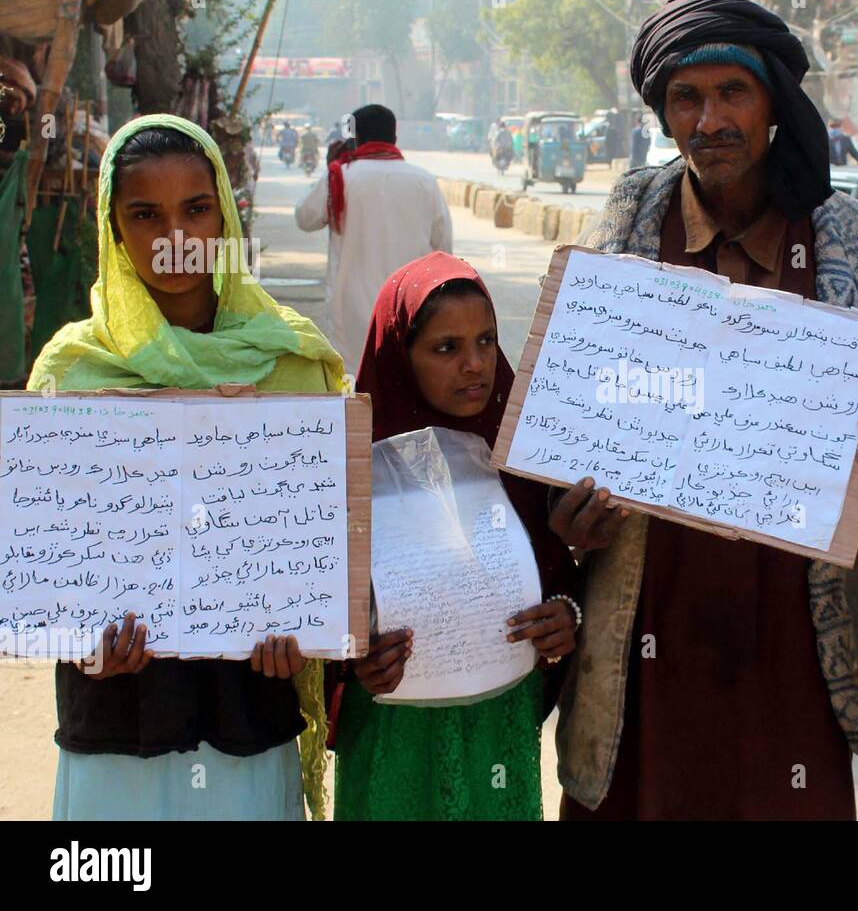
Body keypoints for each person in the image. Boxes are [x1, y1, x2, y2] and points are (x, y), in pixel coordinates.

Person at [553, 0, 858, 821]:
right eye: (686, 98)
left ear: (773, 106)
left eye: (733, 92)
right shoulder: (622, 234)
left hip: (796, 631)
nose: (710, 119)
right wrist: (571, 512)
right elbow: (565, 418)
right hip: (645, 621)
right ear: (663, 112)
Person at [27, 113, 345, 820]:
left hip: (247, 724)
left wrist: (302, 633)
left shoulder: (290, 363)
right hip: (116, 732)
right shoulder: (73, 370)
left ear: (225, 219)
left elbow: (317, 556)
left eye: (196, 210)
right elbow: (44, 567)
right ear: (114, 229)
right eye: (146, 214)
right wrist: (85, 647)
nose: (175, 238)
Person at [331, 252, 579, 820]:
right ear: (400, 356)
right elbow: (317, 620)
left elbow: (561, 581)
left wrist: (566, 617)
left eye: (487, 341)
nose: (476, 365)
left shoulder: (521, 456)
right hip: (395, 737)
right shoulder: (351, 471)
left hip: (498, 726)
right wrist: (355, 664)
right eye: (447, 348)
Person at [294, 104, 453, 374]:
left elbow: (305, 218)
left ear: (355, 136)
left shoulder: (340, 177)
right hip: (411, 306)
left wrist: (329, 169)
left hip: (351, 309)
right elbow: (444, 249)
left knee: (358, 386)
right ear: (394, 136)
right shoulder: (424, 181)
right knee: (405, 382)